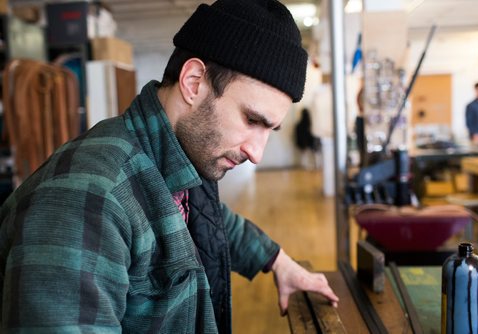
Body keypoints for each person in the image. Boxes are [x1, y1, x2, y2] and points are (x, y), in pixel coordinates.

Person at [0, 0, 338, 333]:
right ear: (193, 82)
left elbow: (214, 220)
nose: (257, 153)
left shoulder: (186, 157)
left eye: (269, 129)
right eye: (252, 119)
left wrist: (277, 261)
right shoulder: (85, 203)